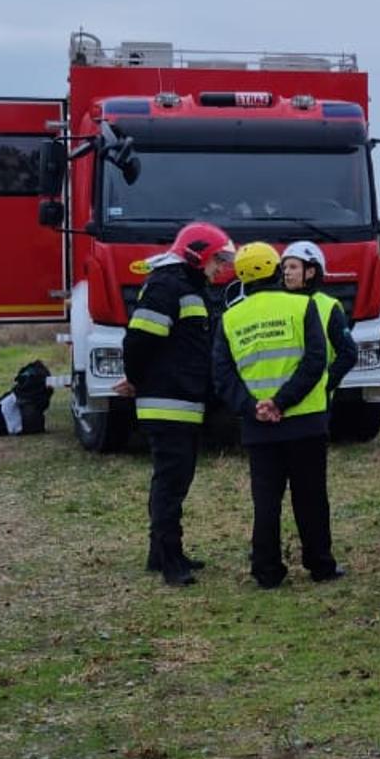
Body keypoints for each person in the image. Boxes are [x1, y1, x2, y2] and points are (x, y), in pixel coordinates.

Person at [213, 242, 342, 588]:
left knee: (266, 501)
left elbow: (223, 376)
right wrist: (283, 402)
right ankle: (320, 564)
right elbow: (316, 360)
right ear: (274, 270)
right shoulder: (302, 306)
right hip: (306, 420)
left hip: (258, 425)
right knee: (311, 497)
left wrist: (253, 406)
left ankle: (267, 570)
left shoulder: (229, 318)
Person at [119, 221, 234, 587]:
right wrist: (137, 380)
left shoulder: (187, 286)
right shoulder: (168, 285)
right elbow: (139, 340)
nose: (221, 269)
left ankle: (163, 552)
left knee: (175, 479)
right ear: (197, 254)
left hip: (181, 398)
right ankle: (171, 563)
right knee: (171, 481)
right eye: (218, 260)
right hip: (167, 400)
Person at [279, 241, 358, 402]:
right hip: (278, 396)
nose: (286, 272)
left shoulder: (329, 306)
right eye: (285, 267)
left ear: (310, 272)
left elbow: (348, 353)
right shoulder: (276, 303)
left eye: (293, 267)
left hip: (315, 402)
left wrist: (325, 384)